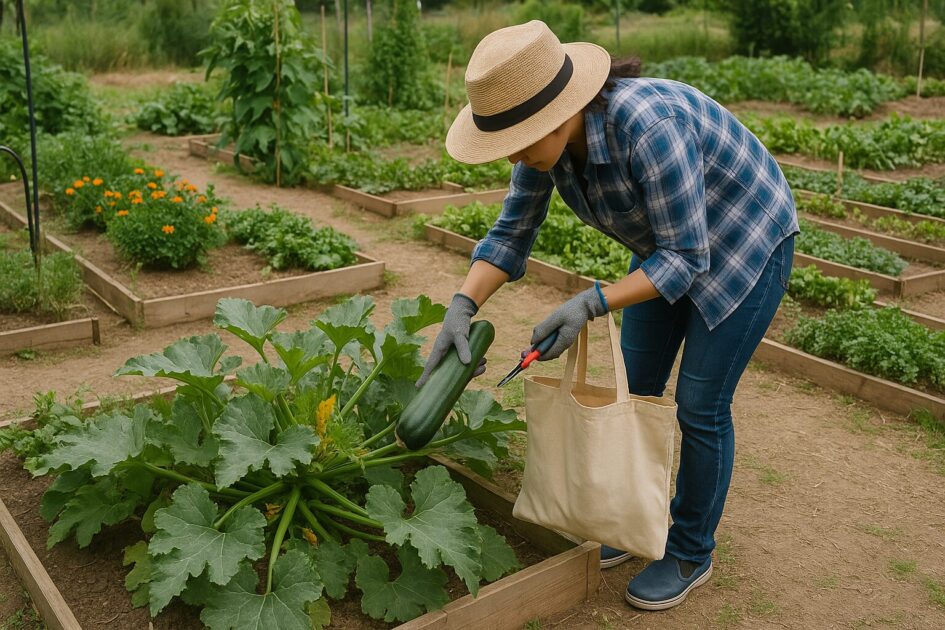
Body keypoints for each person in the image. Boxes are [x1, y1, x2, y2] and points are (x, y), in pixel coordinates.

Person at [417, 20, 799, 611]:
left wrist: (592, 301)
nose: (515, 152)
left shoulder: (649, 128)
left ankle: (691, 550)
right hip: (667, 246)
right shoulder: (543, 149)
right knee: (633, 390)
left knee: (701, 405)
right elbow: (511, 233)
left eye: (519, 137)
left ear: (558, 110)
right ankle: (630, 522)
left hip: (744, 240)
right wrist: (461, 307)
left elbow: (688, 258)